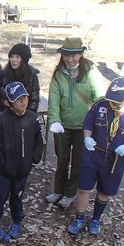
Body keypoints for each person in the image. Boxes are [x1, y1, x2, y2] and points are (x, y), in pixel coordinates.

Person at [68, 76, 124, 235]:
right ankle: (79, 219)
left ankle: (95, 220)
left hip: (114, 158)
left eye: (118, 100)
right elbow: (88, 123)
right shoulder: (101, 104)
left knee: (104, 190)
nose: (114, 103)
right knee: (84, 187)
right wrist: (87, 138)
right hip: (93, 153)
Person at [45, 37, 105, 210]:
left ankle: (70, 193)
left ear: (80, 54)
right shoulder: (58, 73)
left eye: (74, 55)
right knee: (62, 159)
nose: (70, 59)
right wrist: (54, 120)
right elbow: (54, 99)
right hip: (63, 126)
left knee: (78, 161)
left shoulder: (90, 71)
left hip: (83, 127)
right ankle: (58, 190)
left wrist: (95, 124)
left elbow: (99, 97)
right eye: (66, 56)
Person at [0, 82, 44, 242]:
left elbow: (40, 140)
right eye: (18, 99)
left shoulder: (33, 118)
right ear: (8, 103)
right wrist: (2, 164)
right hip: (3, 172)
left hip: (22, 171)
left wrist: (33, 158)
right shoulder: (1, 120)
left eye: (24, 96)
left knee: (18, 197)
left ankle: (17, 221)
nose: (23, 101)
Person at [0, 43, 40, 122]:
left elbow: (34, 101)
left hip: (23, 119)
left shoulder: (32, 77)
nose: (13, 60)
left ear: (23, 59)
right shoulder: (2, 75)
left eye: (17, 57)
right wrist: (0, 118)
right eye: (11, 56)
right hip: (3, 118)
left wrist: (25, 120)